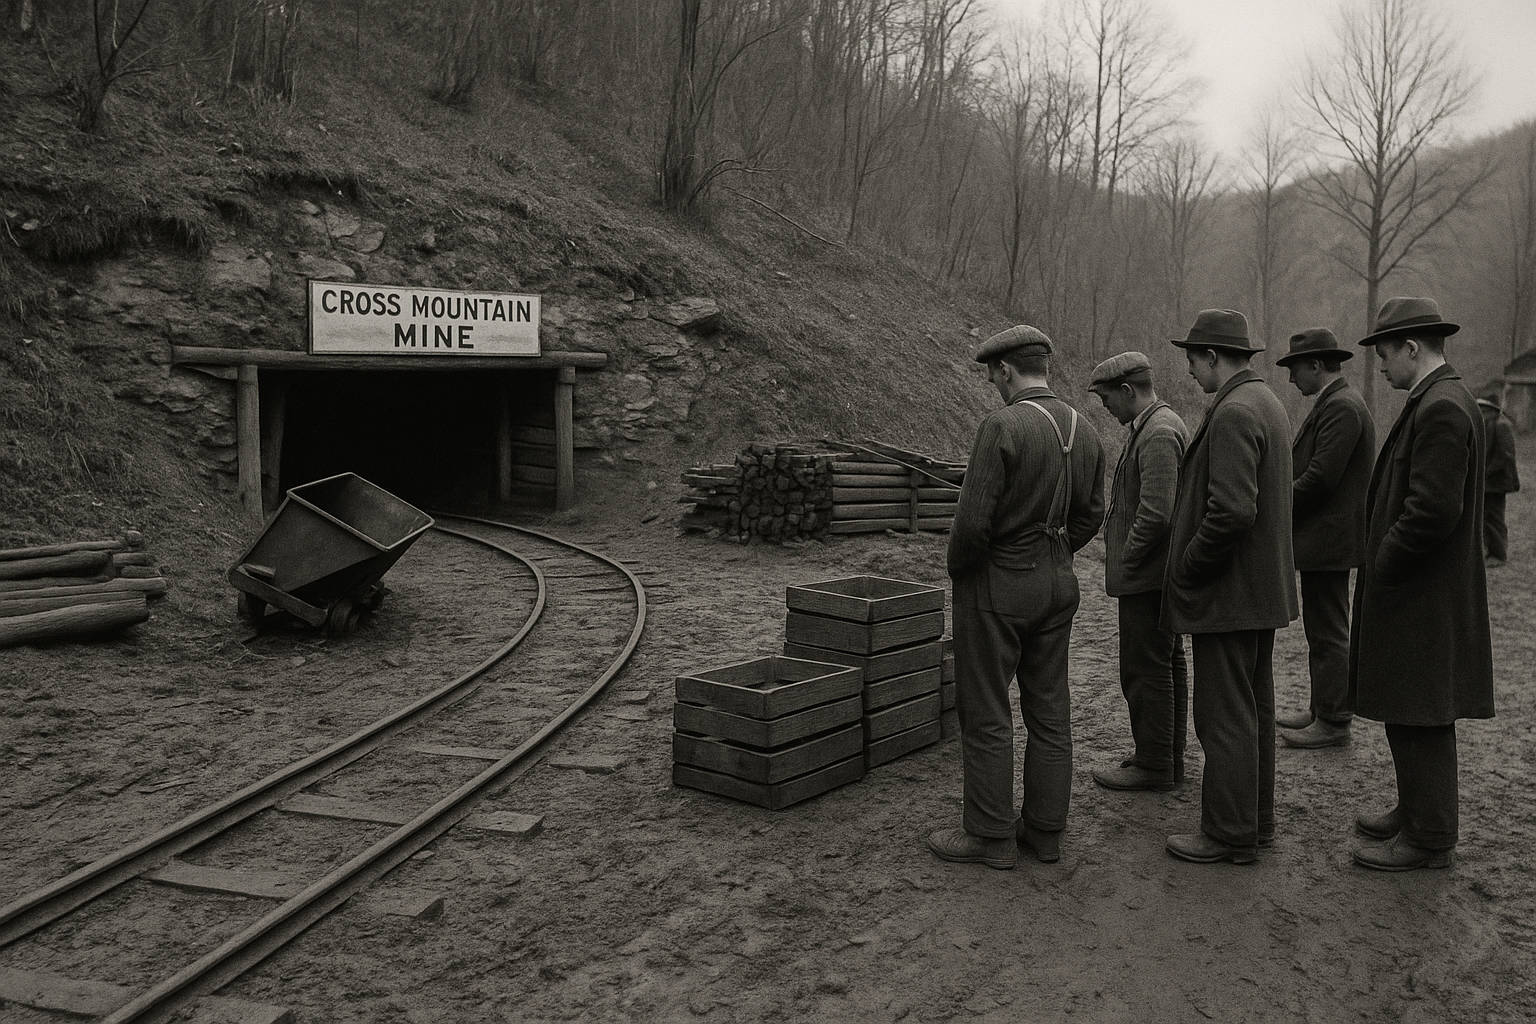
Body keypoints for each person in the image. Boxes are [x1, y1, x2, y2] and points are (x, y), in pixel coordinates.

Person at [929, 324, 1105, 870]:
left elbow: (972, 524)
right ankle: (1046, 833)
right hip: (1059, 586)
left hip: (999, 588)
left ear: (1007, 370)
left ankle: (990, 836)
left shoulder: (1002, 426)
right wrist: (1055, 551)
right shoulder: (1089, 430)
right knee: (1050, 711)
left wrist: (962, 571)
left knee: (985, 711)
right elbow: (1093, 513)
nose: (993, 385)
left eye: (993, 376)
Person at [1350, 297, 1495, 871]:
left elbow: (1433, 509)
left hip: (1421, 594)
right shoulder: (1439, 398)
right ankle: (1417, 809)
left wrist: (1385, 561)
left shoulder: (1442, 406)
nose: (1381, 366)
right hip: (1419, 591)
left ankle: (1430, 835)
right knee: (1409, 706)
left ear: (1413, 349)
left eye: (1385, 355)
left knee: (1423, 710)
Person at [1162, 309, 1298, 865]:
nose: (1191, 372)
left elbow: (1232, 512)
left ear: (1214, 357)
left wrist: (1187, 567)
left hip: (1230, 594)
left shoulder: (1236, 411)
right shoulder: (1265, 402)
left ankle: (1227, 832)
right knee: (1253, 708)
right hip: (1256, 594)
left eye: (1193, 360)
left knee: (1223, 717)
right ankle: (1254, 823)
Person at [1085, 352, 1190, 792]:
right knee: (1164, 664)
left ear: (1128, 391)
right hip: (1155, 574)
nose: (1106, 409)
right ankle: (1163, 754)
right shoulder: (1152, 426)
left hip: (1149, 577)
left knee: (1145, 668)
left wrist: (1127, 560)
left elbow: (1157, 513)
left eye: (1108, 399)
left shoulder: (1159, 433)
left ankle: (1155, 764)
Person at [1274, 329, 1375, 749]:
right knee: (1323, 628)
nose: (1291, 377)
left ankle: (1334, 720)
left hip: (1330, 543)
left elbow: (1319, 478)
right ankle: (1323, 708)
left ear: (1316, 365)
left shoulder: (1343, 407)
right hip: (1324, 542)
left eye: (1295, 368)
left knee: (1330, 630)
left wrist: (1273, 497)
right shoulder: (1335, 403)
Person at [1476, 382, 1520, 566]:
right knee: (1486, 517)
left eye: (1481, 408)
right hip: (1490, 481)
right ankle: (1490, 552)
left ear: (1489, 409)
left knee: (1494, 518)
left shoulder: (1501, 425)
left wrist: (1486, 473)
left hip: (1497, 482)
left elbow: (1505, 457)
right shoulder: (1489, 424)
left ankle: (1498, 555)